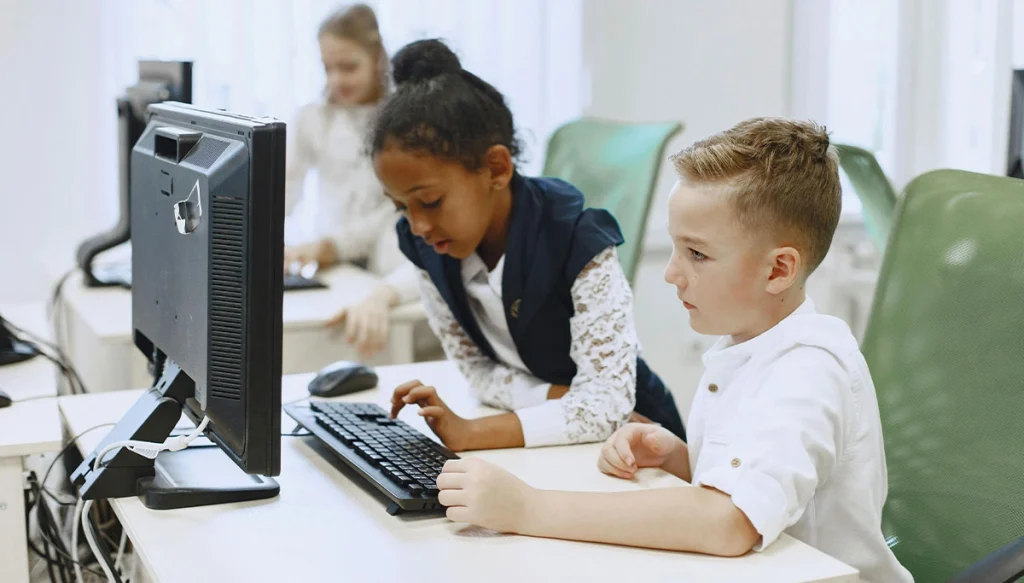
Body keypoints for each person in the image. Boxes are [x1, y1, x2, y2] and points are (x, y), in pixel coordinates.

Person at [433, 118, 913, 583]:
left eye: (697, 254)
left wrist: (527, 507)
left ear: (777, 271)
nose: (672, 273)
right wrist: (681, 459)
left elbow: (728, 523)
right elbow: (774, 489)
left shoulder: (808, 372)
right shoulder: (747, 346)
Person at [374, 39, 686, 452]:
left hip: (640, 443)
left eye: (430, 201)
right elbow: (477, 372)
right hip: (547, 438)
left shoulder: (577, 238)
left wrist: (470, 433)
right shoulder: (426, 243)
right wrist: (556, 397)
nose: (418, 226)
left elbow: (607, 407)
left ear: (497, 169)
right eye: (401, 208)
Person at [284, 4, 417, 357]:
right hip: (335, 266)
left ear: (377, 59)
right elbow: (281, 193)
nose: (336, 80)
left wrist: (333, 245)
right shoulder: (313, 119)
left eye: (348, 67)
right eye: (328, 68)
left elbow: (396, 209)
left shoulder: (403, 120)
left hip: (384, 263)